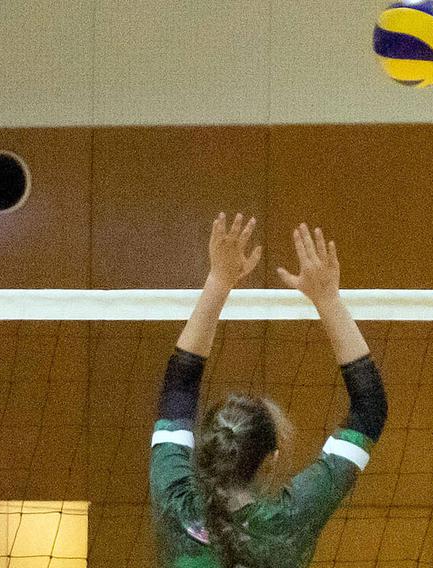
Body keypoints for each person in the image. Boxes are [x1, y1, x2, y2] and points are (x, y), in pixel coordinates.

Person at [149, 213, 388, 567]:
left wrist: (219, 279)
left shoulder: (175, 502)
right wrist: (327, 299)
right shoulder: (292, 517)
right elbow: (369, 410)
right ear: (270, 461)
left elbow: (179, 387)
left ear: (205, 448)